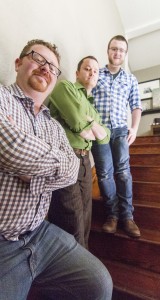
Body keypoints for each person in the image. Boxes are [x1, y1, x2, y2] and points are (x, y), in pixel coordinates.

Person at [0, 39, 113, 300]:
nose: (45, 68)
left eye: (51, 66)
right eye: (37, 59)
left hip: (40, 233)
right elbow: (10, 148)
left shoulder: (52, 125)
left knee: (99, 283)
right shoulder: (3, 98)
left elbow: (72, 169)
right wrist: (55, 162)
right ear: (18, 63)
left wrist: (32, 174)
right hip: (4, 241)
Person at [48, 56, 110, 249]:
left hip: (84, 161)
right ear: (77, 73)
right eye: (87, 68)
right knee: (71, 220)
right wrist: (91, 126)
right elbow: (79, 125)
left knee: (85, 219)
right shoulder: (64, 87)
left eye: (96, 71)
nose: (92, 73)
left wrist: (91, 126)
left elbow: (105, 137)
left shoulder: (92, 107)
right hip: (66, 157)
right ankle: (78, 273)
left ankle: (85, 266)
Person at [92, 35, 142, 238]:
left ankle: (127, 216)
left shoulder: (130, 79)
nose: (117, 53)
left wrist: (135, 128)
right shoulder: (97, 74)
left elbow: (136, 105)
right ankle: (112, 216)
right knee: (104, 174)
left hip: (121, 130)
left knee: (123, 173)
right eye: (114, 49)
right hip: (100, 132)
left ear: (125, 54)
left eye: (121, 50)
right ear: (108, 50)